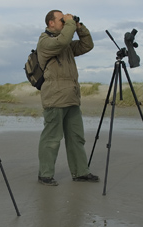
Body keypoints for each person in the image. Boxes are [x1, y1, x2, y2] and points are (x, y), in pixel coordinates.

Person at [35, 10, 99, 186]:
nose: (65, 22)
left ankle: (80, 172)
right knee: (52, 138)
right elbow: (62, 41)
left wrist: (79, 27)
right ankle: (45, 174)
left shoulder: (66, 45)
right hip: (55, 97)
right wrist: (70, 24)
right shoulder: (46, 41)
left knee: (76, 137)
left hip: (71, 96)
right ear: (51, 23)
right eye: (61, 20)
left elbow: (87, 45)